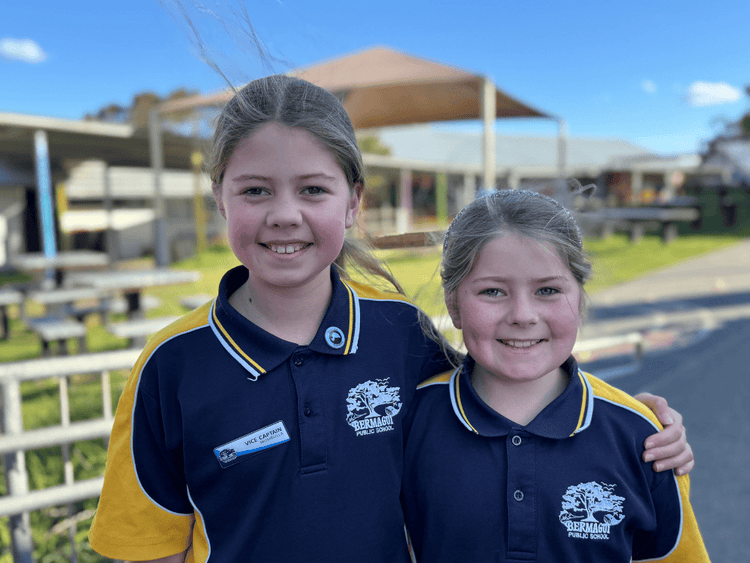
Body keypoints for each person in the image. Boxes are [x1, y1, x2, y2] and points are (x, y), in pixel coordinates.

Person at [88, 76, 693, 563]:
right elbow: (150, 547)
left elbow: (510, 380)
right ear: (219, 196)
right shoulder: (171, 365)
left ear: (354, 201)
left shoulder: (402, 334)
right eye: (254, 192)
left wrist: (637, 427)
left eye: (313, 190)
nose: (284, 215)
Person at [402, 189, 709, 562]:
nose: (522, 315)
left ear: (579, 299)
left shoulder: (643, 438)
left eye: (547, 290)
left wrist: (643, 421)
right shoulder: (409, 422)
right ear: (454, 306)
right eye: (493, 291)